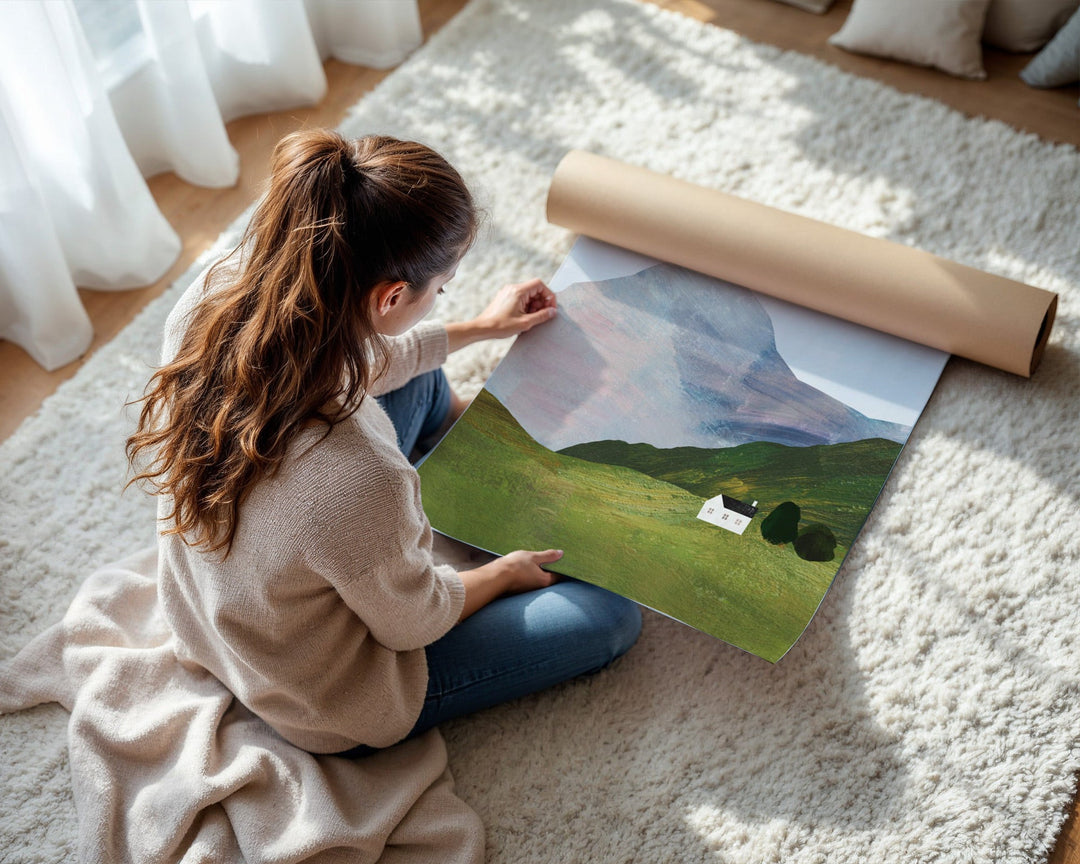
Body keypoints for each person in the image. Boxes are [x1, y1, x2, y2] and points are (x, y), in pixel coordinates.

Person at [126, 129, 641, 757]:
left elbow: (366, 359)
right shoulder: (358, 476)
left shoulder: (221, 290)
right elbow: (413, 622)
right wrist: (503, 573)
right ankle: (459, 498)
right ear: (392, 295)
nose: (442, 298)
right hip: (320, 694)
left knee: (421, 379)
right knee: (609, 617)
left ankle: (463, 465)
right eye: (442, 289)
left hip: (217, 612)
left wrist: (481, 327)